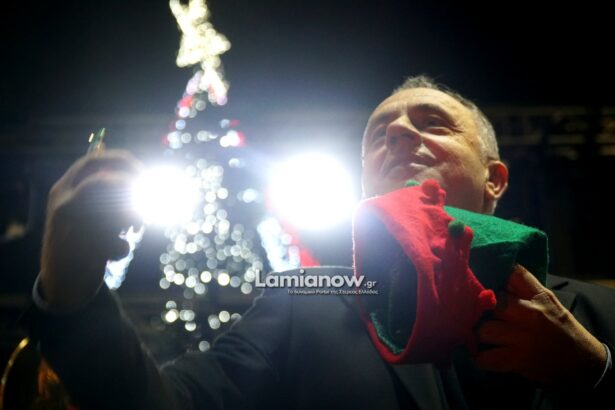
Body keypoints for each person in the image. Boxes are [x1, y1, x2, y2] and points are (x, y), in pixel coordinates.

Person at [22, 76, 614, 409]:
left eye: (432, 123)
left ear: (495, 179)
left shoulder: (599, 313)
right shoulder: (304, 299)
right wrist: (72, 296)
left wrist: (598, 372)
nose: (398, 133)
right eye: (379, 133)